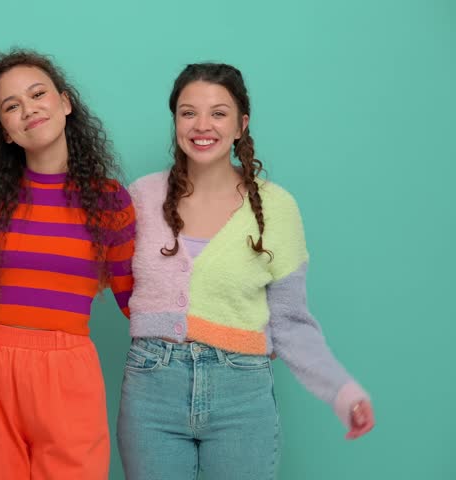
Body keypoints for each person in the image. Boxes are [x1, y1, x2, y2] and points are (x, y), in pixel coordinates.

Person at [117, 62, 375, 480]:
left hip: (241, 393)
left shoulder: (277, 207)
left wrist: (341, 390)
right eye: (188, 112)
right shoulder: (142, 196)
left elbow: (291, 323)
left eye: (219, 113)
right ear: (176, 121)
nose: (202, 125)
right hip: (151, 390)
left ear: (241, 124)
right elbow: (104, 277)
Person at [0, 49, 135, 480]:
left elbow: (135, 300)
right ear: (6, 132)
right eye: (11, 106)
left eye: (37, 94)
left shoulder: (110, 201)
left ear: (65, 103)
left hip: (68, 371)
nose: (28, 109)